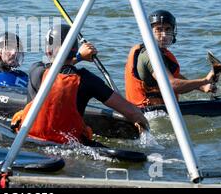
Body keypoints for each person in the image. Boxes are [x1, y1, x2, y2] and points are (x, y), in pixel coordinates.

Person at [12, 24, 149, 144]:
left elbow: (56, 70)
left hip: (29, 140)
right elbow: (133, 112)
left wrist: (77, 57)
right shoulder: (87, 80)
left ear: (48, 51)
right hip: (68, 145)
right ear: (75, 49)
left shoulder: (36, 70)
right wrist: (143, 124)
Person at [125, 9, 216, 107]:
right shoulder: (150, 56)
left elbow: (172, 75)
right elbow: (172, 85)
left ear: (173, 32)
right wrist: (205, 80)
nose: (164, 35)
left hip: (156, 110)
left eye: (168, 29)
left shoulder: (158, 52)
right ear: (149, 33)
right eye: (159, 30)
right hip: (149, 114)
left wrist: (201, 87)